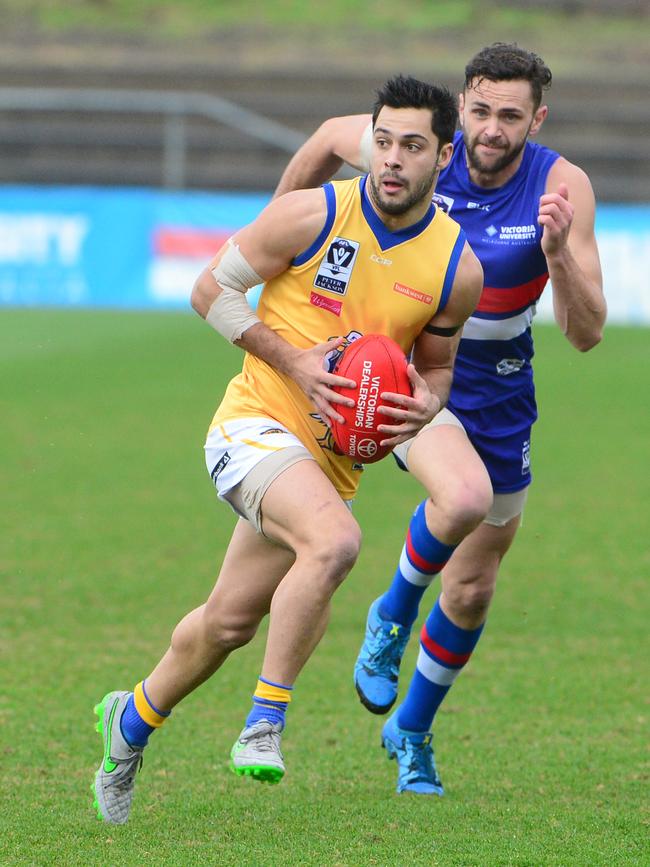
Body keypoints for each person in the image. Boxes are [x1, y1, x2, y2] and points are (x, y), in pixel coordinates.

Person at [91, 74, 493, 825]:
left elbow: (437, 368)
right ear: (367, 140)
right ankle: (265, 721)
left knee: (226, 623)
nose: (393, 159)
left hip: (328, 462)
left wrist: (424, 404)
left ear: (445, 155)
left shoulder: (454, 267)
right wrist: (296, 362)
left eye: (413, 146)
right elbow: (211, 290)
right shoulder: (312, 214)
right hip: (252, 426)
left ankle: (131, 720)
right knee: (336, 541)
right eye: (383, 141)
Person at [274, 42, 606, 796]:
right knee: (461, 498)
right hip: (408, 369)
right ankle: (392, 612)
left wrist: (558, 255)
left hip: (501, 387)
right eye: (482, 110)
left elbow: (586, 332)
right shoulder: (425, 150)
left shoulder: (562, 187)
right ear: (463, 107)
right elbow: (330, 138)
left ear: (537, 119)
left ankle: (411, 732)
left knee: (474, 588)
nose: (492, 128)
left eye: (510, 116)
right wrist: (281, 228)